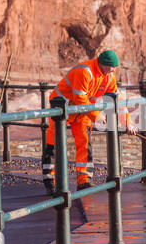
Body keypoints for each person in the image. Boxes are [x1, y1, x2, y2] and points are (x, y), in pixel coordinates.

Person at [42, 50, 137, 195]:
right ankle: (51, 182)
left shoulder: (109, 76)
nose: (113, 70)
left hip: (82, 111)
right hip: (60, 109)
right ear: (101, 64)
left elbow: (117, 100)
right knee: (53, 144)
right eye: (110, 67)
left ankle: (84, 181)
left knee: (85, 144)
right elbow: (80, 98)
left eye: (115, 68)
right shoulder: (84, 71)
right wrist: (97, 116)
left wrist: (128, 123)